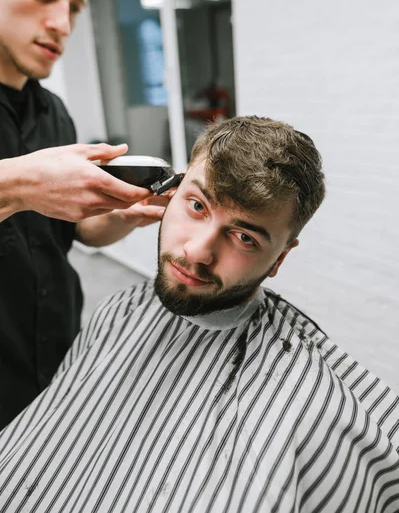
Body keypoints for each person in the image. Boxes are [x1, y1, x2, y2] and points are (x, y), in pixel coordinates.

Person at [0, 116, 398, 513]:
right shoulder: (119, 311)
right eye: (197, 205)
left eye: (244, 237)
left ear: (280, 257)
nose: (196, 252)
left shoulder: (313, 401)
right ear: (169, 195)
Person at [0, 0, 169, 429]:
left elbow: (72, 234)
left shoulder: (55, 114)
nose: (62, 23)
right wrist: (20, 184)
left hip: (57, 361)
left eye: (73, 7)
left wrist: (122, 212)